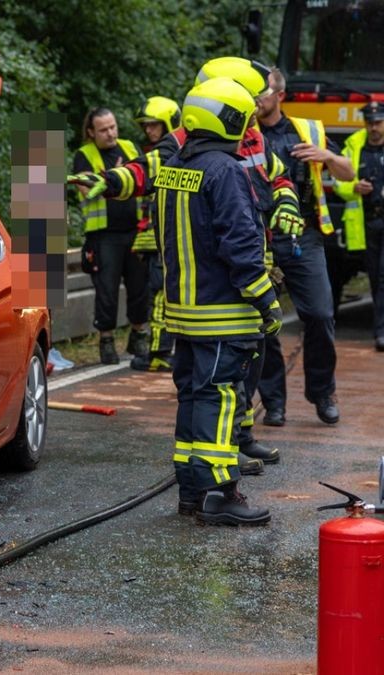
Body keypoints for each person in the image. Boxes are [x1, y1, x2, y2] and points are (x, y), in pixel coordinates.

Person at [69, 57, 297, 478]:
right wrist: (113, 181)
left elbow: (279, 177)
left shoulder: (251, 136)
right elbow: (149, 168)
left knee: (241, 368)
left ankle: (235, 444)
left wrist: (285, 205)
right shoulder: (194, 143)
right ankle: (215, 474)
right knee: (220, 381)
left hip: (234, 274)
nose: (252, 111)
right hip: (230, 282)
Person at [159, 76, 280, 525]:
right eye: (244, 121)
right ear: (227, 119)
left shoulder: (174, 166)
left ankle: (192, 492)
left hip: (185, 313)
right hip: (222, 315)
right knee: (221, 399)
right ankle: (220, 494)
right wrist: (267, 301)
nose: (249, 131)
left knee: (193, 397)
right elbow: (242, 246)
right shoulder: (226, 171)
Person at [255, 67, 356, 426]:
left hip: (305, 237)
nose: (257, 100)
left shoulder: (306, 129)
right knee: (264, 322)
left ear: (280, 96)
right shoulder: (244, 133)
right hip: (260, 239)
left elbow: (347, 172)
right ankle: (273, 401)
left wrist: (326, 156)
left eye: (263, 93)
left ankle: (322, 391)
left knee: (320, 314)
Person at [71, 108, 150, 365]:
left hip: (135, 231)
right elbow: (85, 192)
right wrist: (114, 179)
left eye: (113, 127)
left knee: (140, 288)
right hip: (103, 236)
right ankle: (106, 340)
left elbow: (146, 179)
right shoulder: (85, 155)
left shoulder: (129, 148)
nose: (110, 133)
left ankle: (138, 335)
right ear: (91, 132)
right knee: (106, 291)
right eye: (104, 129)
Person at [130, 96, 181, 372]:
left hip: (167, 242)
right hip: (154, 243)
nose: (149, 131)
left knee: (161, 298)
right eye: (146, 126)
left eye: (154, 125)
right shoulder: (159, 154)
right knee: (157, 296)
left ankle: (160, 352)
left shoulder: (169, 157)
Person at [334, 101, 384, 351]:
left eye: (377, 122)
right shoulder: (355, 145)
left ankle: (381, 332)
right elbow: (338, 180)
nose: (373, 127)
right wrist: (353, 187)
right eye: (369, 122)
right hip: (367, 222)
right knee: (375, 277)